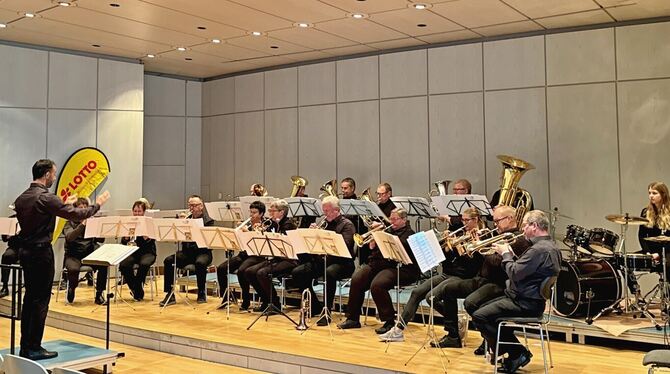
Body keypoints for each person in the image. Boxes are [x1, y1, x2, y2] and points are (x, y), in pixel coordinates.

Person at [14, 159, 109, 360]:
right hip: (41, 254)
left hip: (26, 252)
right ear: (47, 174)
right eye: (54, 174)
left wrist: (62, 202)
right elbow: (75, 213)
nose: (55, 177)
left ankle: (25, 345)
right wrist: (97, 204)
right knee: (41, 300)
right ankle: (34, 347)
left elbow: (43, 213)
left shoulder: (22, 198)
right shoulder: (46, 197)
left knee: (30, 298)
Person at [424, 206, 530, 351]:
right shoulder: (500, 234)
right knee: (448, 289)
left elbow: (498, 263)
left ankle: (488, 337)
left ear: (510, 219)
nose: (495, 224)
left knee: (471, 303)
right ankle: (453, 336)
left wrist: (480, 246)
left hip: (498, 283)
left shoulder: (515, 239)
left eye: (498, 221)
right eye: (494, 221)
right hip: (482, 279)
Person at [379, 206, 490, 341]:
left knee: (433, 296)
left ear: (476, 219)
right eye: (463, 220)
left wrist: (463, 248)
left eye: (467, 220)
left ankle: (453, 324)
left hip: (465, 276)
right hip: (449, 273)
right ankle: (398, 330)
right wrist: (448, 247)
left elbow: (476, 263)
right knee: (417, 292)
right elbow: (447, 260)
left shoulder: (483, 235)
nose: (464, 224)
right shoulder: (461, 233)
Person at [471, 210, 561, 373]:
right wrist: (511, 255)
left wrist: (505, 254)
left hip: (524, 303)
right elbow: (524, 269)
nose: (523, 230)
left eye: (525, 225)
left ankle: (517, 353)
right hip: (532, 300)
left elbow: (513, 272)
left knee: (479, 316)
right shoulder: (550, 246)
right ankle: (512, 353)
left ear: (534, 226)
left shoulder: (537, 250)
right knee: (482, 310)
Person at [337, 208, 419, 334]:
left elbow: (408, 256)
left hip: (402, 268)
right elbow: (374, 252)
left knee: (377, 285)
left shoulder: (410, 234)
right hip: (380, 265)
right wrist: (373, 244)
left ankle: (389, 321)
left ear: (404, 220)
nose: (392, 222)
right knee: (357, 279)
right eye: (390, 219)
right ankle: (353, 318)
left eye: (395, 219)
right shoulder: (387, 230)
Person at [291, 196, 356, 325]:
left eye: (327, 211)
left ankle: (327, 312)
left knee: (329, 273)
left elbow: (346, 246)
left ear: (336, 210)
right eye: (324, 211)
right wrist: (313, 235)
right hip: (323, 260)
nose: (324, 214)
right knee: (298, 272)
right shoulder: (325, 223)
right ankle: (316, 306)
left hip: (343, 263)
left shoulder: (347, 225)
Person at [243, 199, 297, 313]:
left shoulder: (289, 224)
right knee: (249, 271)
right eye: (270, 210)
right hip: (277, 258)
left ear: (281, 212)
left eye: (273, 211)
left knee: (262, 273)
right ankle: (266, 300)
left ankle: (275, 304)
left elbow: (284, 244)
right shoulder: (274, 223)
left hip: (289, 260)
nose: (270, 213)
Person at [160, 195, 214, 307]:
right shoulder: (186, 220)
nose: (192, 208)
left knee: (200, 263)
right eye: (190, 205)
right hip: (187, 253)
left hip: (203, 252)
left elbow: (208, 243)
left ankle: (201, 292)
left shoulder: (208, 221)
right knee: (168, 261)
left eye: (195, 205)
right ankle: (170, 294)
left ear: (201, 206)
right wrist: (180, 225)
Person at [215, 200, 266, 310]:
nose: (251, 215)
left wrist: (248, 232)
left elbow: (259, 242)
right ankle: (226, 297)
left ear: (261, 214)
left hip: (256, 255)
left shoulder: (265, 224)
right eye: (250, 212)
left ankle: (246, 300)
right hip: (243, 254)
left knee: (242, 271)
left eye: (254, 212)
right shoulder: (247, 223)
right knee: (221, 268)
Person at [62, 197, 108, 305]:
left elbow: (100, 240)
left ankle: (99, 294)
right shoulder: (69, 223)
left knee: (103, 265)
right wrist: (82, 225)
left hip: (88, 253)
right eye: (80, 208)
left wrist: (99, 230)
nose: (83, 211)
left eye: (85, 208)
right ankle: (72, 288)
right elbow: (69, 237)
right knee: (73, 269)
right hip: (73, 255)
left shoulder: (91, 222)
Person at [119, 198, 156, 302]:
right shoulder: (128, 223)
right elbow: (123, 243)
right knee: (124, 264)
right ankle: (135, 288)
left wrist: (146, 237)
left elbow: (152, 241)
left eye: (139, 211)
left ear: (143, 212)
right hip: (132, 252)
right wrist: (125, 238)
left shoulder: (149, 223)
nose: (137, 214)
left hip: (147, 252)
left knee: (144, 264)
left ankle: (137, 289)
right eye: (135, 211)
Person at [0, 211, 20, 299]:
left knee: (35, 257)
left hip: (28, 247)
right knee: (6, 256)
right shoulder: (10, 219)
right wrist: (9, 235)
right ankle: (4, 286)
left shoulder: (31, 218)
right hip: (14, 247)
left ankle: (32, 286)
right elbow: (4, 239)